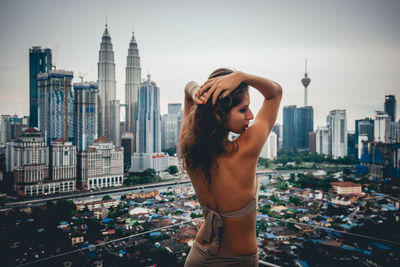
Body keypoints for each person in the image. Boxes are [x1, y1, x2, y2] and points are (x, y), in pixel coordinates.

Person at [180, 68, 282, 267]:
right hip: (239, 262)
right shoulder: (245, 150)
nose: (251, 116)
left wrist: (196, 92)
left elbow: (188, 90)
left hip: (199, 257)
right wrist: (243, 76)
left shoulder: (191, 150)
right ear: (220, 113)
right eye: (243, 109)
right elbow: (274, 93)